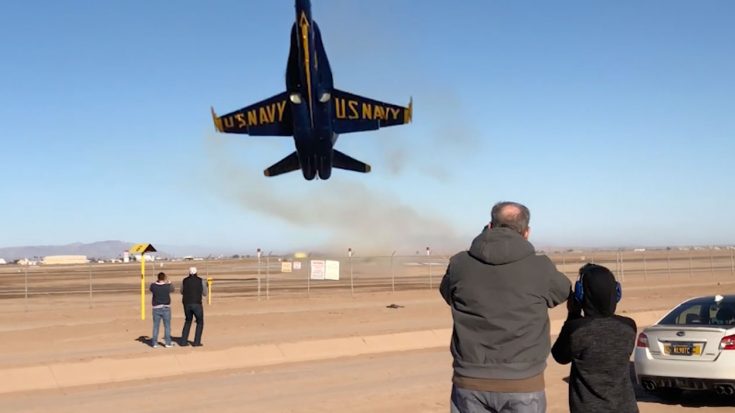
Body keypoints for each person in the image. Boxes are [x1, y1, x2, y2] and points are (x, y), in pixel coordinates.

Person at [440, 201, 570, 413]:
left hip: (469, 380)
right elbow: (562, 292)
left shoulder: (460, 263)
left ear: (490, 226)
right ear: (526, 232)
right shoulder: (540, 267)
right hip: (523, 383)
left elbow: (448, 294)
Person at [551, 263, 638, 413]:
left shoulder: (576, 329)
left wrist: (573, 313)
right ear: (615, 292)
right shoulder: (629, 327)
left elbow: (559, 356)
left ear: (581, 295)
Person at [180, 266, 207, 347]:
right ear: (196, 272)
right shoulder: (200, 280)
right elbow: (205, 293)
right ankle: (196, 342)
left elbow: (181, 291)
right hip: (197, 304)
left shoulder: (184, 280)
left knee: (188, 321)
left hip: (186, 303)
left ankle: (183, 341)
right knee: (200, 322)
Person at [150, 272, 175, 348]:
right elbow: (172, 289)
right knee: (167, 326)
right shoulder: (167, 286)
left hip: (157, 308)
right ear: (164, 278)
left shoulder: (153, 286)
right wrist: (169, 283)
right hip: (165, 308)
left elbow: (151, 288)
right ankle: (167, 343)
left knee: (156, 326)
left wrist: (157, 282)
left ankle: (154, 343)